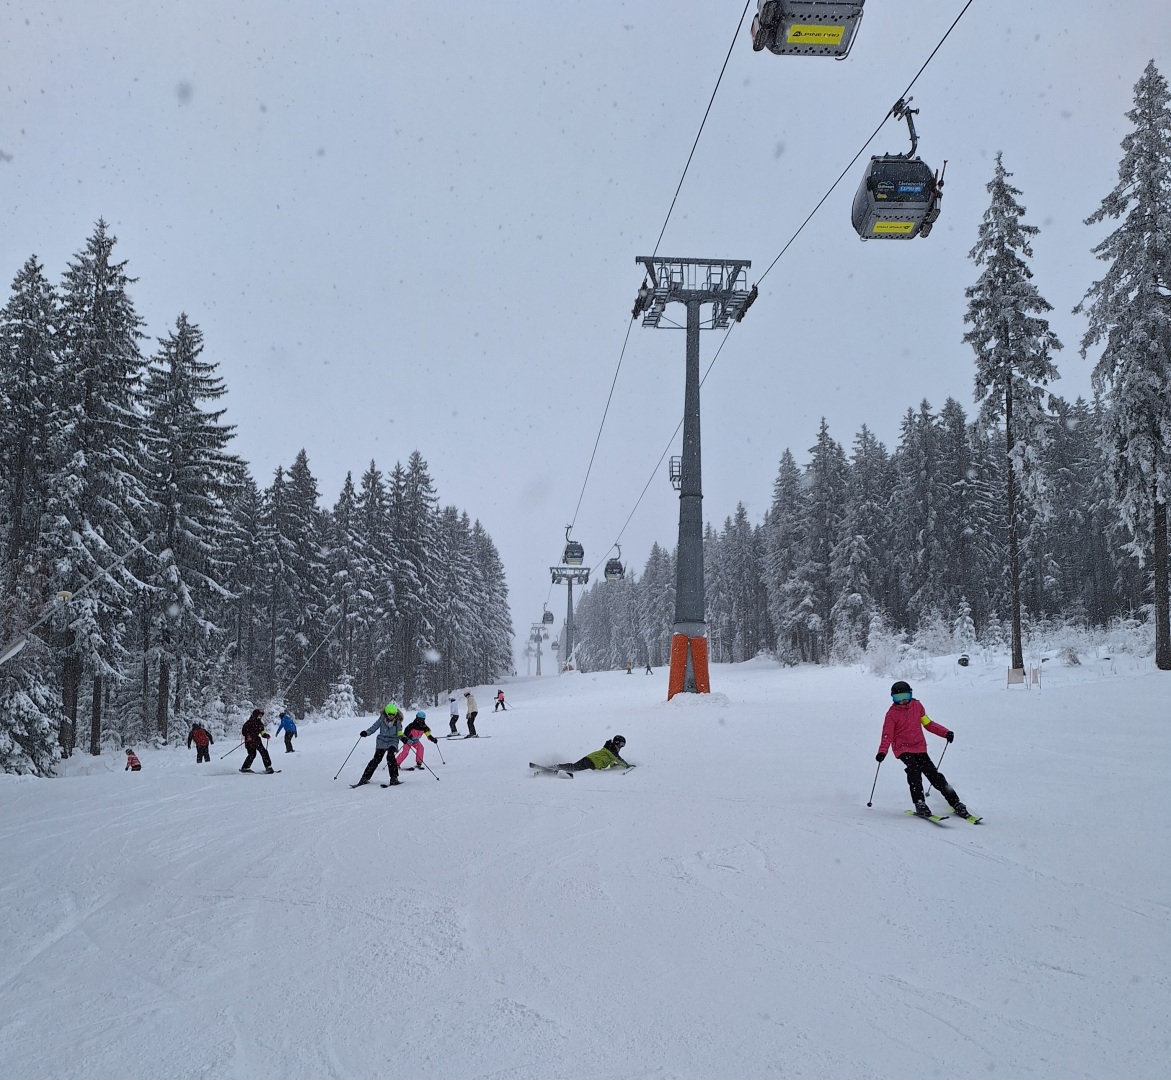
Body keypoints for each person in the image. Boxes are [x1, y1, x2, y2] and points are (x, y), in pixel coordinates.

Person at [876, 680, 970, 818]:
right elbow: (887, 735)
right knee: (914, 771)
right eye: (898, 698)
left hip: (919, 746)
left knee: (933, 774)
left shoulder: (917, 706)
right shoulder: (891, 714)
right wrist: (882, 751)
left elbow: (928, 724)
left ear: (911, 695)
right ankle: (920, 803)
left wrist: (945, 732)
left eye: (905, 697)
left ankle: (955, 802)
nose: (902, 701)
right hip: (903, 748)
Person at [355, 703, 403, 786]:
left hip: (393, 741)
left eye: (393, 715)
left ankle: (394, 778)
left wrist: (403, 738)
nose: (391, 716)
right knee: (376, 759)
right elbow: (374, 727)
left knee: (390, 757)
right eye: (389, 714)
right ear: (386, 713)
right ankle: (365, 778)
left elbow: (399, 733)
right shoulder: (382, 719)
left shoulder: (397, 722)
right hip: (382, 741)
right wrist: (366, 732)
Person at [558, 735, 631, 773]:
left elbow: (612, 761)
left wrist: (615, 766)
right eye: (621, 744)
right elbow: (618, 759)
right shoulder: (611, 749)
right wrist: (627, 766)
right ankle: (557, 768)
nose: (621, 747)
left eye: (623, 745)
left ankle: (558, 768)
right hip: (590, 761)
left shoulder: (611, 752)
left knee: (574, 768)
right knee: (574, 768)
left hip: (591, 762)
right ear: (617, 742)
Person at [240, 708, 274, 773]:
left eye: (261, 715)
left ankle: (268, 767)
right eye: (259, 715)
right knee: (252, 754)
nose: (260, 717)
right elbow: (244, 731)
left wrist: (265, 735)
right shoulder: (249, 722)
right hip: (249, 741)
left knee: (264, 752)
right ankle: (245, 768)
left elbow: (262, 732)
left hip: (257, 740)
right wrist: (248, 736)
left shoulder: (260, 723)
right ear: (255, 714)